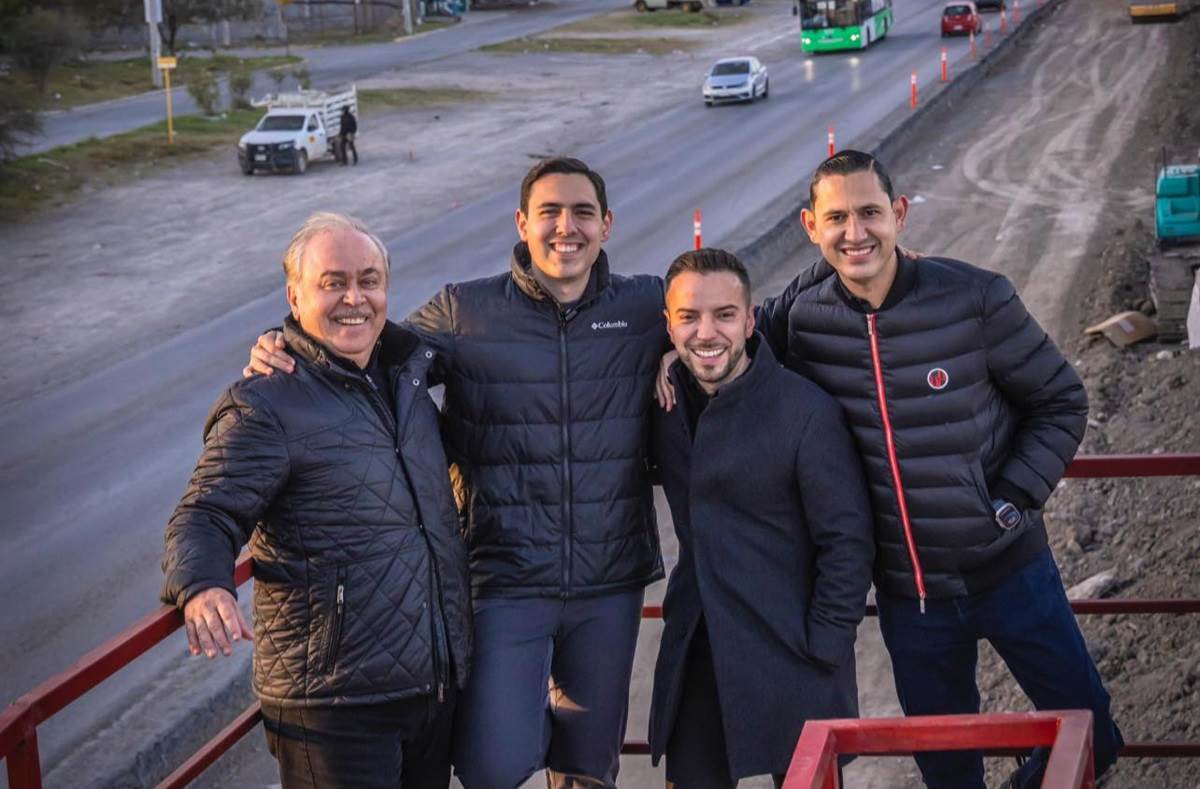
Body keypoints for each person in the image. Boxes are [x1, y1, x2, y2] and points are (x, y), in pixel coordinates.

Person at [245, 158, 666, 788]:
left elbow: (730, 322)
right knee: (490, 765)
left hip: (610, 578)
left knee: (588, 765)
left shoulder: (646, 305)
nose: (565, 228)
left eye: (582, 212)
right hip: (503, 578)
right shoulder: (465, 311)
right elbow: (361, 346)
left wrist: (679, 359)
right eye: (548, 212)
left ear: (606, 224)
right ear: (522, 224)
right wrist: (282, 341)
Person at [714, 149, 1121, 788]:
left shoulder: (975, 297)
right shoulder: (802, 320)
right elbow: (719, 341)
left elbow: (1061, 401)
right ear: (810, 227)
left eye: (871, 212)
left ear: (899, 214)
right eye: (838, 218)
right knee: (947, 773)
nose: (856, 233)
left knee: (1096, 731)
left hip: (1011, 569)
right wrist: (662, 358)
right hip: (912, 598)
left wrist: (1012, 498)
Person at [162, 211, 472, 788]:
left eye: (369, 280)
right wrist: (202, 584)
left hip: (427, 687)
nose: (354, 298)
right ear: (294, 295)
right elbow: (205, 512)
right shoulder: (268, 402)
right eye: (332, 282)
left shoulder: (406, 380)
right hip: (336, 705)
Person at [648, 248, 875, 787]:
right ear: (668, 326)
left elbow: (847, 541)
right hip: (700, 642)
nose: (707, 332)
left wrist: (826, 642)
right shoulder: (662, 402)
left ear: (751, 321)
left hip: (792, 645)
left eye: (725, 315)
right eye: (689, 318)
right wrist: (661, 356)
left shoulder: (805, 411)